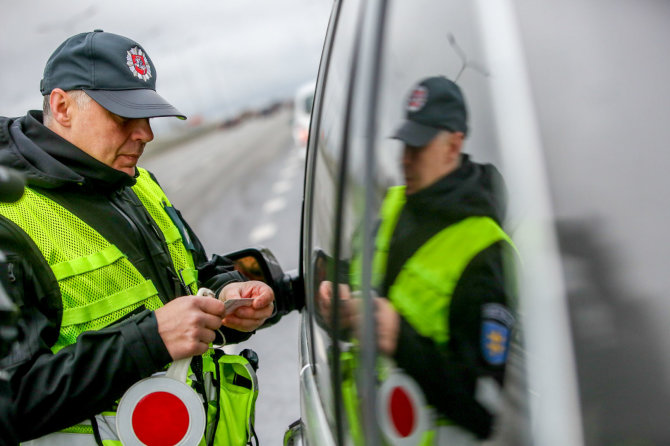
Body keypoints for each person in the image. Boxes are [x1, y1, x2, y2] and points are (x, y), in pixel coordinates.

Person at [0, 30, 275, 445]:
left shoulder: (136, 182)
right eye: (123, 117)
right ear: (62, 107)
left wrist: (227, 292)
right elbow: (11, 401)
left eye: (147, 116)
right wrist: (150, 340)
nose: (146, 133)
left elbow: (192, 273)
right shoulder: (10, 220)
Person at [319, 76, 516, 443]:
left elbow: (488, 409)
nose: (405, 159)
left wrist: (400, 338)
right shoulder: (397, 206)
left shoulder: (485, 252)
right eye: (405, 144)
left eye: (419, 146)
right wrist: (334, 289)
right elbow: (365, 277)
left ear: (453, 146)